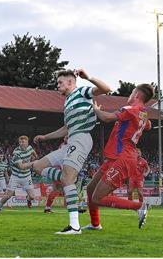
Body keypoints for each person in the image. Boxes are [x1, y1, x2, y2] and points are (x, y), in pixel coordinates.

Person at [31, 69, 111, 234]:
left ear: (70, 82)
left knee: (68, 179)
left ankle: (75, 226)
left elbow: (106, 89)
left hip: (82, 138)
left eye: (60, 82)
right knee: (38, 166)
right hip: (71, 140)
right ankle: (69, 182)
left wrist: (88, 77)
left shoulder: (82, 92)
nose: (57, 85)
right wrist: (45, 137)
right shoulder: (67, 103)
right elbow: (66, 129)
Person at [84, 84, 154, 230]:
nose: (129, 96)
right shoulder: (143, 113)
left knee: (98, 197)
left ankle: (139, 206)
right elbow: (148, 125)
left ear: (136, 95)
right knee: (90, 189)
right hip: (116, 157)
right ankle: (95, 224)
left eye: (132, 93)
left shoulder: (129, 110)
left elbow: (106, 118)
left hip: (123, 158)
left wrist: (96, 109)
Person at [0, 136, 37, 213]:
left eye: (23, 142)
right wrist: (33, 163)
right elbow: (21, 167)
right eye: (20, 142)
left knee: (32, 196)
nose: (21, 144)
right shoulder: (16, 153)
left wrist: (35, 157)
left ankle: (28, 199)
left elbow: (33, 153)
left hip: (27, 176)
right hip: (16, 177)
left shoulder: (30, 148)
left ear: (27, 142)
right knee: (8, 195)